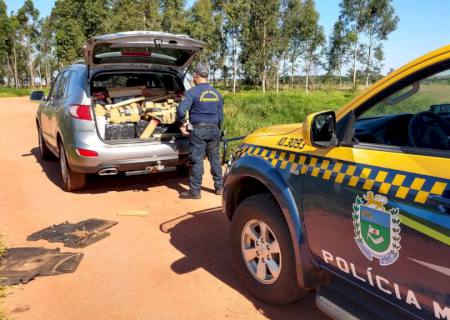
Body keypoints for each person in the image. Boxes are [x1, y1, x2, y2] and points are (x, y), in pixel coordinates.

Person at [177, 63, 224, 199]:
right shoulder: (217, 93)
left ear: (196, 76)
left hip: (198, 130)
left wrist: (181, 123)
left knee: (197, 160)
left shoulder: (192, 92)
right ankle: (219, 188)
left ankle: (195, 191)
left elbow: (181, 111)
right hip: (214, 129)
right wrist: (218, 129)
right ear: (206, 76)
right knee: (215, 159)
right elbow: (221, 115)